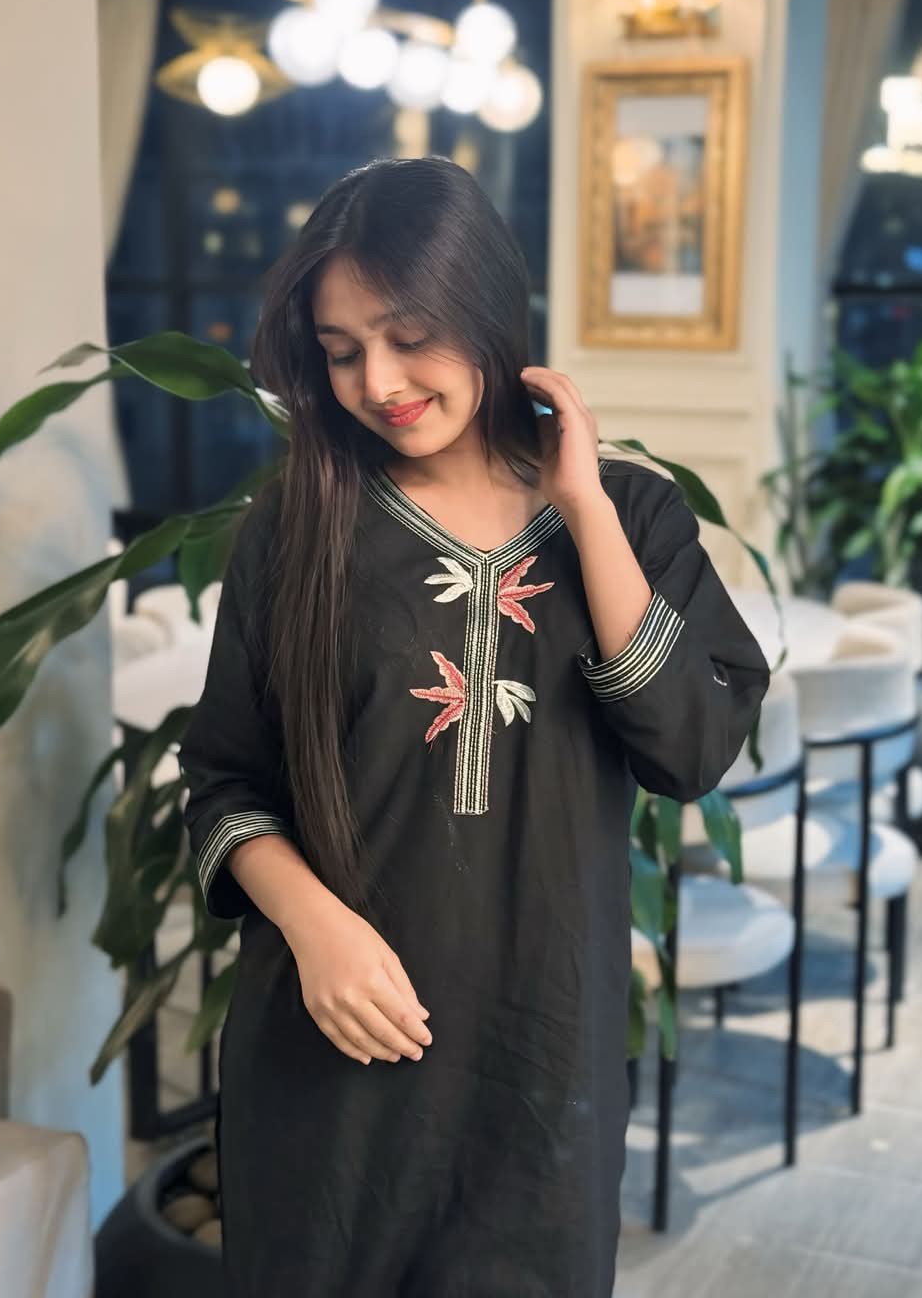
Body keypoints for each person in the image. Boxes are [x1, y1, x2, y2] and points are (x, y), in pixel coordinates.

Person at [178, 155, 770, 1297]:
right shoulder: (298, 521)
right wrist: (315, 926)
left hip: (539, 1065)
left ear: (488, 311)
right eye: (340, 350)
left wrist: (582, 507)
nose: (377, 381)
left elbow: (691, 747)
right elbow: (224, 780)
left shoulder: (631, 512)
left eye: (409, 337)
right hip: (331, 1061)